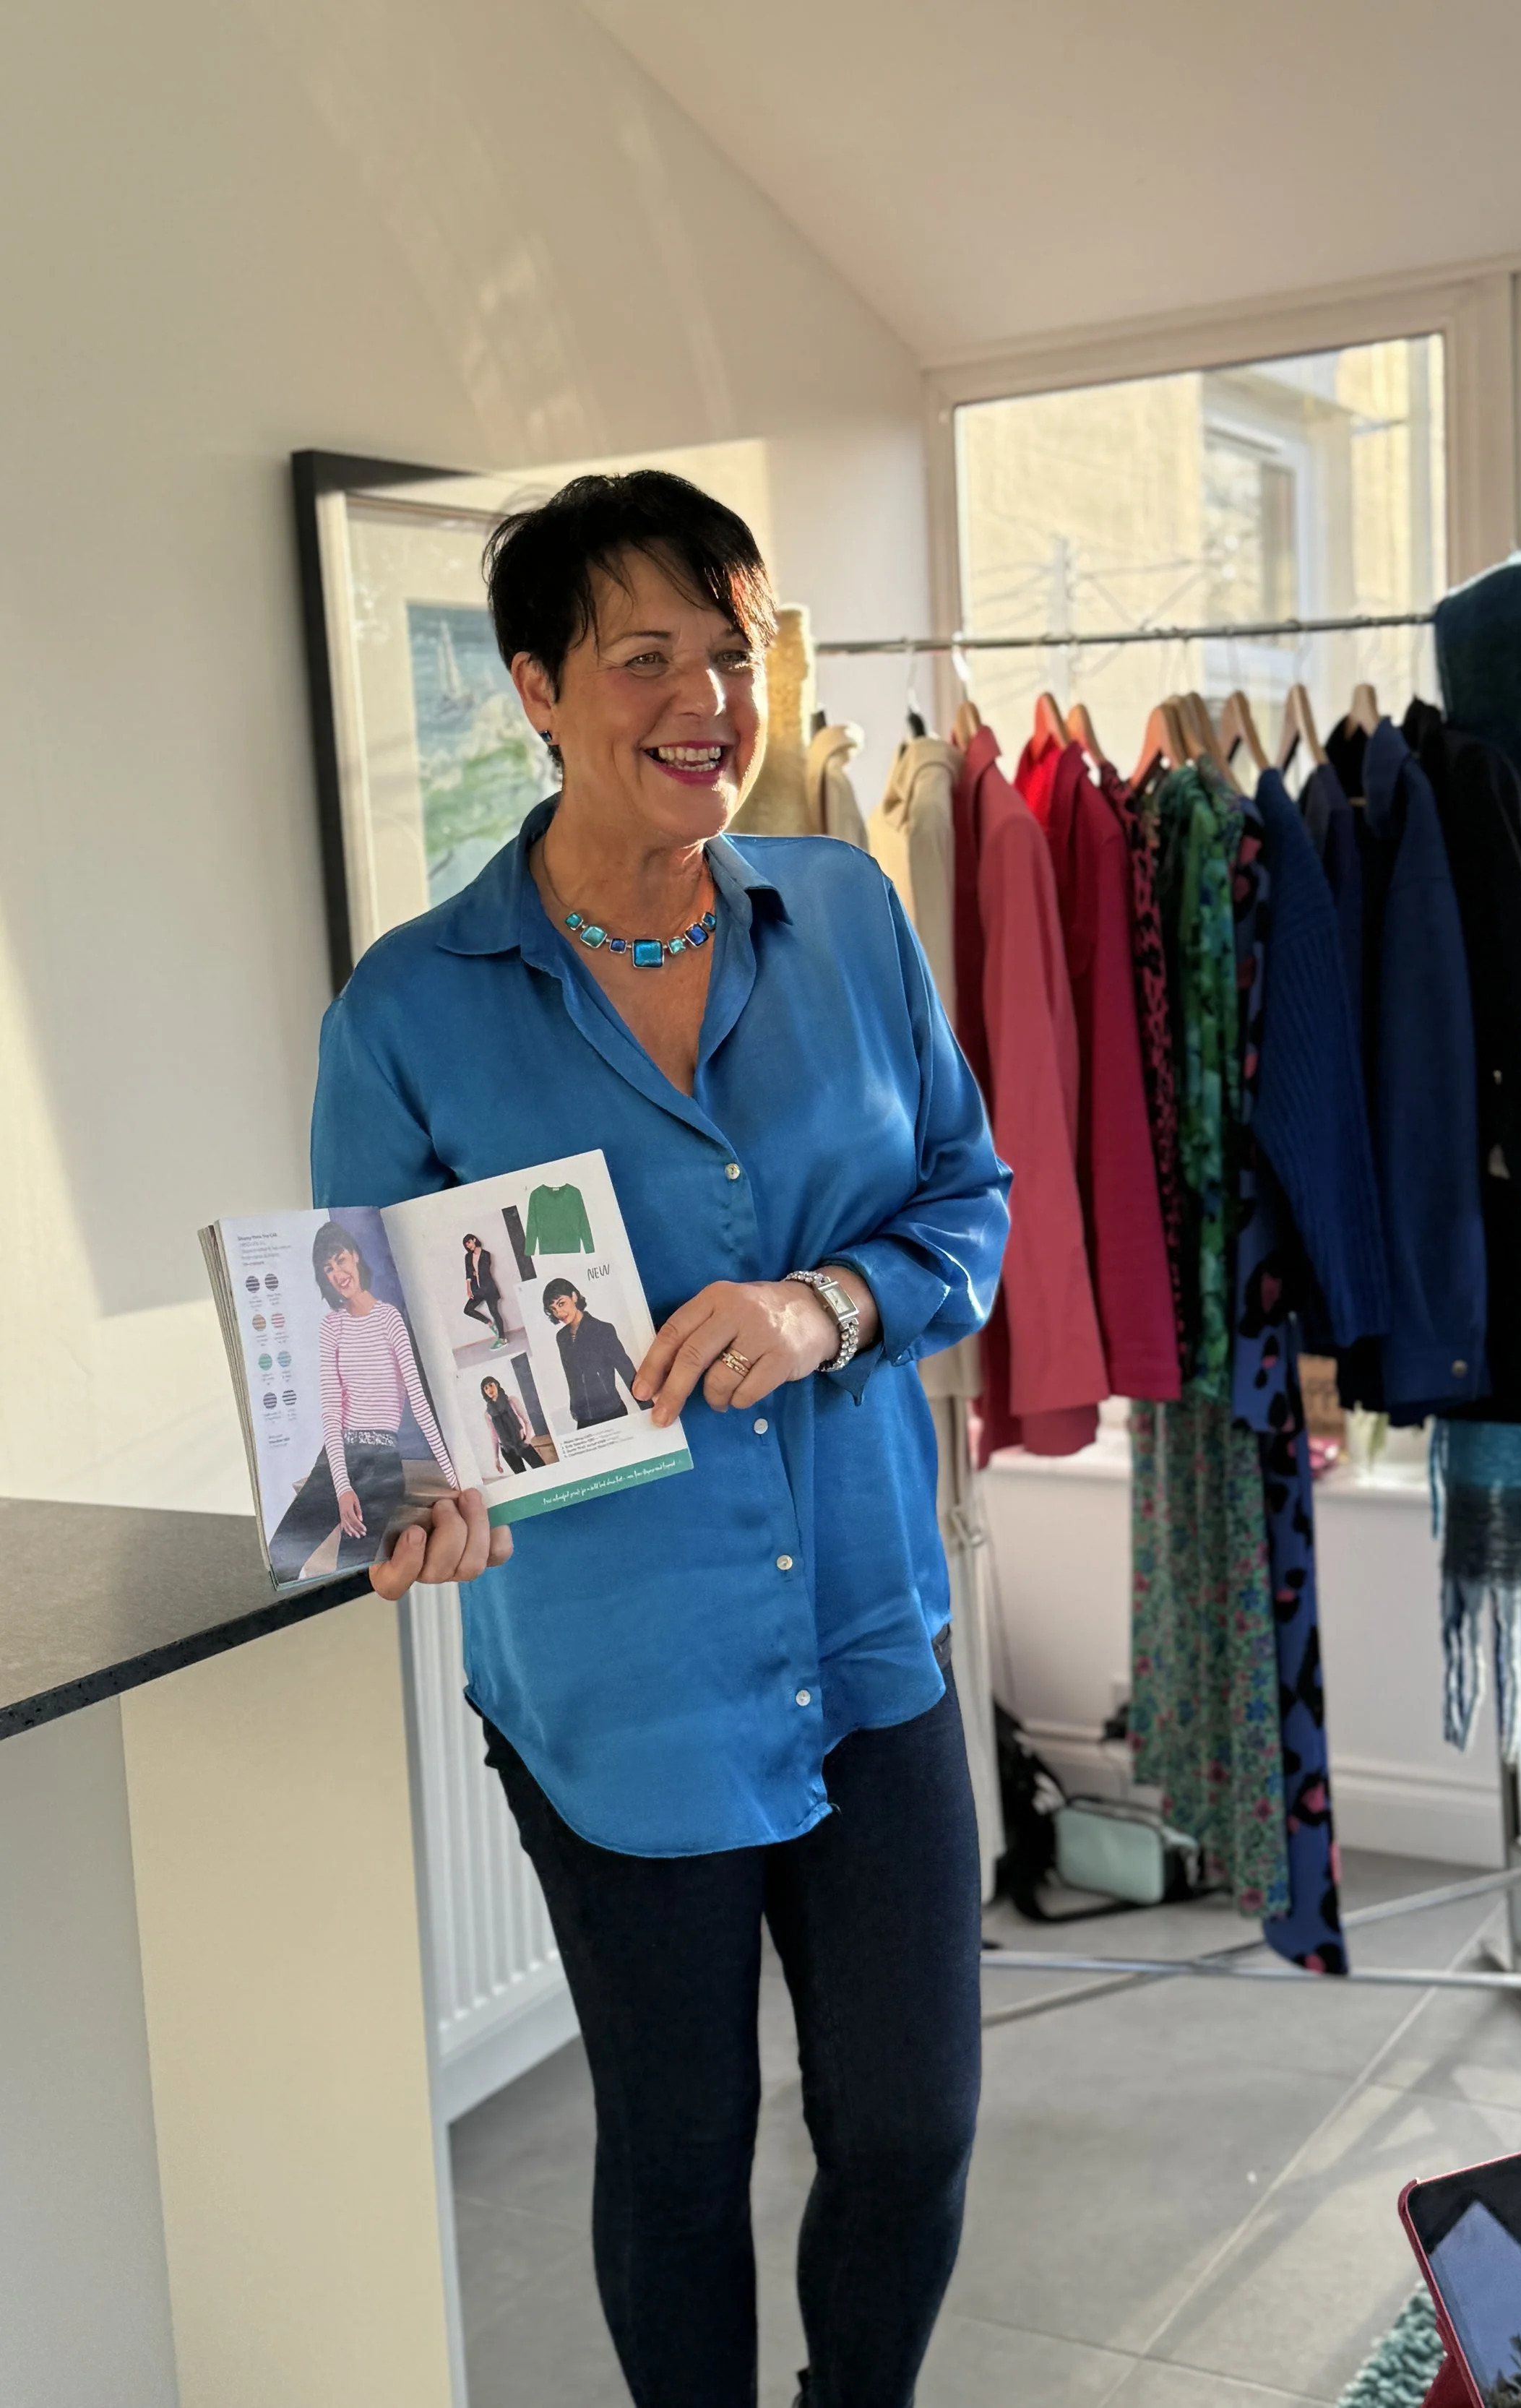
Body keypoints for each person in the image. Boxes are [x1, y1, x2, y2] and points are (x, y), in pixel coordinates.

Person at [310, 468, 1010, 2407]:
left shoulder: (851, 913)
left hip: (868, 1629)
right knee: (680, 2152)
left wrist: (825, 1303)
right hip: (619, 1685)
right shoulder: (408, 1011)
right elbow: (369, 1382)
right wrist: (405, 1497)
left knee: (909, 2128)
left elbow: (968, 1200)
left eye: (730, 649)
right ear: (536, 686)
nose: (705, 696)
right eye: (646, 656)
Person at [267, 1220, 460, 1581]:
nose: (338, 1273)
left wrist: (453, 1478)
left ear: (355, 1256)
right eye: (328, 1268)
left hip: (381, 1464)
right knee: (282, 1554)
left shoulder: (390, 1320)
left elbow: (418, 1401)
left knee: (349, 1569)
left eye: (340, 1260)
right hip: (338, 1459)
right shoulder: (332, 1326)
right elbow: (331, 1409)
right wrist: (341, 1488)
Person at [542, 1277, 644, 1425]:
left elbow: (627, 1370)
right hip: (583, 1416)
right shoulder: (562, 1337)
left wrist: (647, 1408)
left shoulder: (603, 1330)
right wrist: (574, 1407)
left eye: (561, 1304)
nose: (559, 1313)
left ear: (574, 1297)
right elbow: (570, 1376)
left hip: (611, 1411)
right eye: (554, 1309)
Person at [478, 1372, 542, 1476]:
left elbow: (527, 1421)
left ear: (497, 1385)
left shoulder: (512, 1401)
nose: (489, 1389)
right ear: (484, 1392)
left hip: (522, 1443)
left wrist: (528, 1440)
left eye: (491, 1385)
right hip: (507, 1450)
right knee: (523, 1477)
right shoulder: (488, 1414)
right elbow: (494, 1437)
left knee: (541, 1469)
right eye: (486, 1388)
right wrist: (496, 1458)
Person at [462, 1230, 507, 1349]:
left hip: (489, 1288)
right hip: (477, 1290)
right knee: (468, 1310)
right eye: (467, 1245)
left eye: (469, 1243)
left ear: (474, 1240)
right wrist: (468, 1289)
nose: (469, 1246)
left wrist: (475, 1273)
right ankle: (489, 1323)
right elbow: (468, 1274)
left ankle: (502, 1339)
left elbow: (484, 1271)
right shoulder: (468, 1257)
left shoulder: (486, 1254)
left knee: (495, 1312)